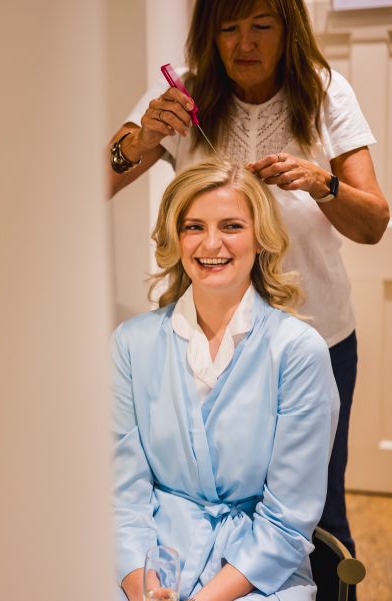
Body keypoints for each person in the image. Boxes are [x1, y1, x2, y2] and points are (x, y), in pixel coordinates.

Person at [107, 2, 388, 596]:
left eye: (261, 25)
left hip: (313, 336)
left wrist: (323, 183)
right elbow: (88, 181)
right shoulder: (185, 96)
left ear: (289, 27)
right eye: (228, 29)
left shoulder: (324, 93)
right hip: (207, 331)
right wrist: (145, 136)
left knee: (318, 515)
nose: (244, 43)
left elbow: (373, 223)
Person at [112, 159, 339, 601]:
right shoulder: (131, 344)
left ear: (261, 238)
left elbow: (287, 522)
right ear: (176, 239)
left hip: (257, 572)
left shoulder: (297, 352)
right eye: (194, 227)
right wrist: (143, 588)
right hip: (150, 561)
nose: (211, 243)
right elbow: (123, 499)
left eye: (231, 226)